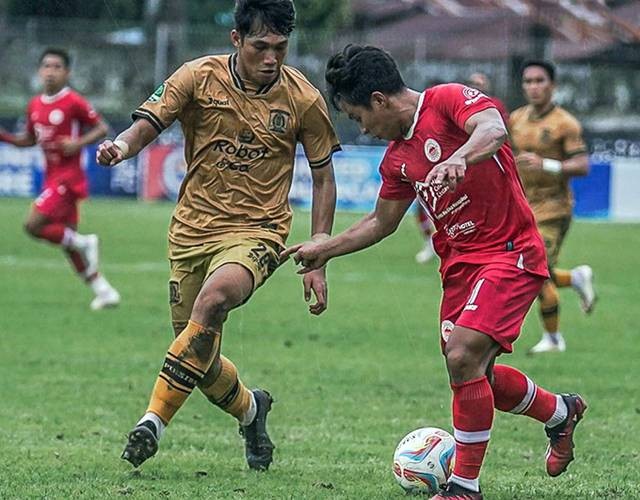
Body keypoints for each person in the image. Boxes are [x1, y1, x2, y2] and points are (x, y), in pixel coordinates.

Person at [282, 45, 586, 499]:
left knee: (463, 356)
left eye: (358, 115)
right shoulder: (395, 159)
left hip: (509, 251)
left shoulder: (444, 101)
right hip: (459, 267)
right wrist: (325, 250)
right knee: (474, 374)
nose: (361, 127)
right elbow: (380, 222)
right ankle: (559, 412)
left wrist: (462, 155)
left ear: (379, 100)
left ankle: (464, 487)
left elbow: (493, 127)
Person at [97, 0, 339, 471]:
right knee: (200, 358)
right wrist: (121, 147)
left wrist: (320, 255)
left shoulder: (304, 99)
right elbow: (148, 122)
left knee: (212, 303)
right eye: (260, 46)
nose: (272, 58)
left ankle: (152, 423)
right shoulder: (197, 75)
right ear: (236, 39)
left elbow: (324, 177)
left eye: (280, 48)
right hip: (191, 231)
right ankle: (252, 410)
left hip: (259, 232)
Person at [0, 48, 120, 310]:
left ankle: (86, 242)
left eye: (56, 67)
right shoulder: (35, 105)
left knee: (33, 225)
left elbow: (102, 128)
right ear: (39, 71)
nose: (50, 72)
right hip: (51, 178)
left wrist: (78, 144)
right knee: (67, 244)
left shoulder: (73, 101)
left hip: (69, 178)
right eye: (46, 66)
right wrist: (5, 137)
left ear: (67, 72)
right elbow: (28, 140)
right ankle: (104, 291)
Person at [510, 60, 596, 354]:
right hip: (524, 207)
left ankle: (554, 339)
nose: (533, 87)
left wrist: (545, 164)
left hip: (554, 209)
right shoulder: (516, 119)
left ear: (552, 85)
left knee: (535, 272)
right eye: (528, 81)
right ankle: (575, 278)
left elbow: (582, 165)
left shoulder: (565, 123)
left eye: (539, 81)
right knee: (527, 270)